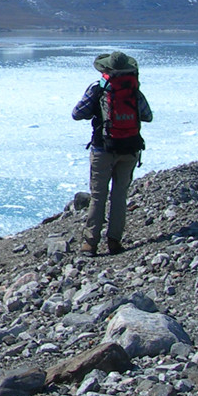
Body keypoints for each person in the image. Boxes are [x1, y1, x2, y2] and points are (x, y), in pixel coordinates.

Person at [72, 50, 152, 256]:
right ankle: (114, 241)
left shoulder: (98, 89)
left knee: (98, 196)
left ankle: (90, 243)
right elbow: (147, 115)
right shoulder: (134, 89)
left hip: (103, 148)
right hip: (130, 149)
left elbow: (77, 113)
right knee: (119, 196)